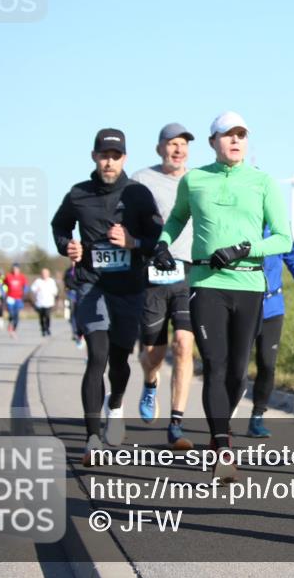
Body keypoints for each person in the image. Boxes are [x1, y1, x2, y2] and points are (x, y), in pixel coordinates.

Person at [154, 110, 291, 484]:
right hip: (207, 283)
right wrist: (163, 244)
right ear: (213, 141)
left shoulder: (263, 182)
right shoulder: (195, 180)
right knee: (214, 365)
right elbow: (176, 219)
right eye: (227, 135)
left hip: (248, 285)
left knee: (236, 372)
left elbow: (283, 238)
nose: (235, 140)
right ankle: (221, 447)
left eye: (241, 135)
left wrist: (243, 250)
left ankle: (222, 427)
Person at [51, 128, 162, 465]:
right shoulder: (78, 194)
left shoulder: (139, 194)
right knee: (96, 356)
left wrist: (132, 242)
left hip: (129, 288)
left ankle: (115, 403)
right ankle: (92, 439)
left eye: (115, 156)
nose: (109, 161)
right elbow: (59, 226)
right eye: (104, 155)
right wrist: (66, 246)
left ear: (124, 158)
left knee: (119, 359)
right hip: (91, 284)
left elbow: (156, 238)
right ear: (94, 157)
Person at [131, 123, 198, 450]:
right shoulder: (141, 180)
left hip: (188, 273)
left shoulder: (198, 181)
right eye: (172, 144)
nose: (178, 149)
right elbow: (123, 224)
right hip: (152, 274)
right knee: (153, 353)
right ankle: (150, 379)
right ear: (160, 148)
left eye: (183, 144)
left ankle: (176, 421)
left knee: (184, 345)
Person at [247, 232, 294, 438]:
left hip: (273, 307)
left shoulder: (277, 227)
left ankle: (257, 416)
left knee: (267, 364)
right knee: (237, 365)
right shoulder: (242, 222)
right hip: (244, 305)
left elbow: (292, 254)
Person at [31, 268, 59, 337]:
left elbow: (55, 290)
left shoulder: (51, 281)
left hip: (49, 302)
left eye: (46, 273)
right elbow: (32, 288)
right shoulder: (38, 281)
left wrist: (54, 293)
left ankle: (47, 328)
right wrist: (36, 289)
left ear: (48, 274)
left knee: (47, 315)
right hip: (40, 302)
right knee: (41, 317)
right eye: (43, 273)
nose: (44, 275)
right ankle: (43, 329)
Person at [2, 263, 28, 338]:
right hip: (10, 298)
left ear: (19, 269)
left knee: (16, 315)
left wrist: (25, 292)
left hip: (18, 298)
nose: (15, 270)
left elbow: (25, 286)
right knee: (11, 313)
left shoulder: (22, 277)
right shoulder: (8, 276)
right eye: (14, 269)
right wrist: (3, 293)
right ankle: (10, 323)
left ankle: (13, 329)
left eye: (16, 269)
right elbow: (3, 285)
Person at [64, 263, 83, 348]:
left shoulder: (83, 269)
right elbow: (66, 281)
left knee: (81, 313)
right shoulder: (68, 271)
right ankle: (75, 332)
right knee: (73, 314)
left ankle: (81, 333)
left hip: (81, 292)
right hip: (72, 293)